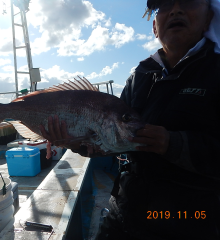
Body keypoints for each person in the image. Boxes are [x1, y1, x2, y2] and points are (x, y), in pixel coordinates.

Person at [40, 0, 220, 239]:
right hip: (125, 211)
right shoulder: (140, 75)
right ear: (155, 27)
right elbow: (113, 139)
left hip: (190, 218)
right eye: (165, 5)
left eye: (188, 1)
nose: (176, 10)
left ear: (208, 18)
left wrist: (171, 143)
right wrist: (77, 144)